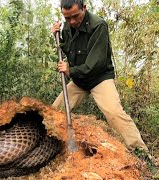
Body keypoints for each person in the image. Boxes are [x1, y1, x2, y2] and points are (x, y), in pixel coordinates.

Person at [51, 0, 149, 153]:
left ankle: (141, 152)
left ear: (84, 8)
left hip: (99, 78)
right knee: (54, 111)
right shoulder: (68, 26)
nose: (72, 21)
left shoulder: (98, 26)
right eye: (67, 18)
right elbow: (68, 48)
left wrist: (70, 71)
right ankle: (52, 148)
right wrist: (57, 36)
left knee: (114, 113)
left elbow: (94, 64)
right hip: (80, 80)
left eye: (75, 16)